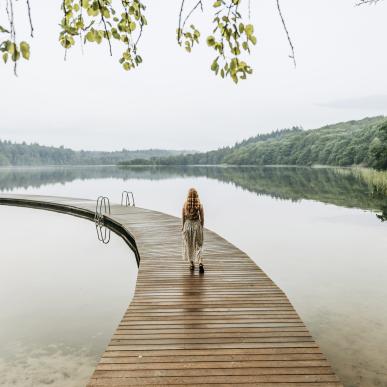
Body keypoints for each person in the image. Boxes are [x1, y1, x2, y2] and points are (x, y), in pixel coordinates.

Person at [182, 188, 204, 273]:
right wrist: (201, 227)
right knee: (199, 245)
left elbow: (183, 217)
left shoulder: (185, 205)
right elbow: (202, 218)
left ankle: (191, 264)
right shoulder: (199, 205)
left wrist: (183, 227)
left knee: (189, 245)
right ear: (196, 195)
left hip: (188, 226)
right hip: (196, 226)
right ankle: (200, 263)